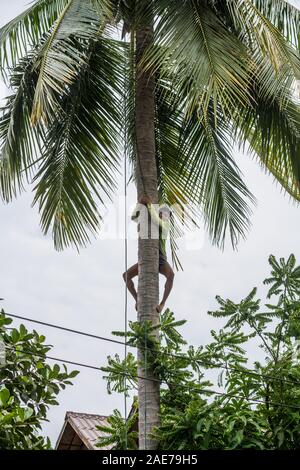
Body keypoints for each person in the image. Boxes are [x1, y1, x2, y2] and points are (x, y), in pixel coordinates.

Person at [123, 196, 174, 313]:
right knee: (126, 275)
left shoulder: (166, 225)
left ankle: (162, 303)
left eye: (168, 215)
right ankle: (137, 299)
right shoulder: (150, 218)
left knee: (171, 275)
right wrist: (139, 204)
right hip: (147, 257)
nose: (165, 216)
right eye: (163, 213)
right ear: (160, 213)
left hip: (160, 258)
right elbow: (134, 217)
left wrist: (149, 204)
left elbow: (157, 221)